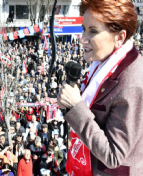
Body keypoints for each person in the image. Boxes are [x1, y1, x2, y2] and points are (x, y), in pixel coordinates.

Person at [57, 0, 143, 176]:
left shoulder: (132, 83)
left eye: (93, 31)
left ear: (119, 37)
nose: (82, 39)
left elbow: (113, 156)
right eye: (83, 29)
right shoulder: (103, 63)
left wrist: (76, 107)